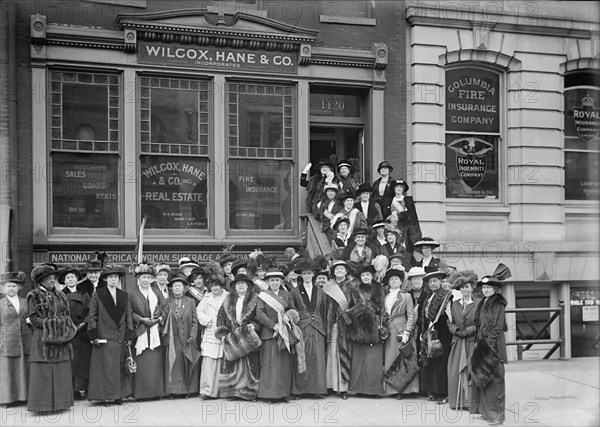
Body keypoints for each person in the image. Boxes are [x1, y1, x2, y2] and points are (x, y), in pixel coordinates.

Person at [26, 263, 75, 412]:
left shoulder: (61, 295)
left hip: (61, 339)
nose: (52, 280)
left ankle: (62, 404)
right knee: (44, 372)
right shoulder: (33, 295)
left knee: (61, 371)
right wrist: (54, 323)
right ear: (40, 281)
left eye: (53, 277)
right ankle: (42, 406)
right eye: (48, 278)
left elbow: (66, 315)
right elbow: (34, 319)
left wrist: (63, 324)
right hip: (43, 338)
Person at [470, 264, 511, 426]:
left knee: (496, 381)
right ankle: (486, 412)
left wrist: (490, 348)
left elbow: (497, 327)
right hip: (482, 345)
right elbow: (479, 326)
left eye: (489, 287)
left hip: (493, 348)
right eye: (484, 287)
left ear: (495, 290)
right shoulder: (484, 302)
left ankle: (497, 416)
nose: (486, 290)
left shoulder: (498, 304)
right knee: (484, 380)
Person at [87, 264, 134, 405]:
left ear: (119, 279)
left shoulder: (124, 295)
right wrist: (94, 335)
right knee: (106, 368)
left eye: (116, 277)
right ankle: (106, 396)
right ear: (106, 279)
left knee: (118, 368)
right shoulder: (98, 294)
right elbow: (92, 316)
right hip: (104, 337)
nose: (113, 279)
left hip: (119, 337)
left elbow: (129, 316)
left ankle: (118, 395)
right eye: (111, 277)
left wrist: (129, 335)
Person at [215, 274, 261, 401]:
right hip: (232, 336)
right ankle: (232, 392)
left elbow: (260, 315)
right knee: (232, 364)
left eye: (243, 283)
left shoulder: (255, 299)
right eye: (238, 283)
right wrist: (222, 333)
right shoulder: (227, 299)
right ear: (234, 286)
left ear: (248, 285)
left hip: (248, 336)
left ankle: (249, 392)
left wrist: (254, 326)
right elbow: (220, 316)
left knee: (250, 365)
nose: (240, 285)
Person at [128, 262, 169, 400]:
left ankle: (155, 393)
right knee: (142, 365)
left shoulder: (157, 292)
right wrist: (142, 319)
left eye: (148, 277)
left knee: (154, 365)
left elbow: (166, 308)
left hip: (155, 333)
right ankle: (140, 394)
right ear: (138, 278)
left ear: (152, 279)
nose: (146, 280)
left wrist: (158, 320)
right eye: (143, 277)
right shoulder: (131, 293)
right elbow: (129, 312)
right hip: (140, 331)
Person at [289, 259, 328, 399]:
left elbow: (324, 310)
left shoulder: (320, 291)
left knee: (317, 358)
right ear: (301, 275)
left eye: (309, 273)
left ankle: (318, 389)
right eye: (304, 273)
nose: (307, 275)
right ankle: (300, 390)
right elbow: (292, 309)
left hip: (318, 327)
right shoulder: (295, 291)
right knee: (302, 356)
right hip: (302, 326)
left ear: (313, 275)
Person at [345, 264, 385, 397]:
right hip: (358, 326)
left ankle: (373, 389)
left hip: (374, 325)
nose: (365, 277)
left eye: (368, 275)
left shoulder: (379, 288)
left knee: (374, 360)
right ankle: (359, 388)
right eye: (363, 275)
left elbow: (381, 307)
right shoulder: (355, 289)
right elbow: (351, 306)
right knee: (358, 358)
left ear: (372, 276)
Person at [256, 268, 295, 402]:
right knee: (269, 364)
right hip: (269, 333)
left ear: (281, 281)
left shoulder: (286, 294)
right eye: (272, 280)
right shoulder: (263, 295)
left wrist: (288, 317)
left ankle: (283, 393)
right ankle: (268, 394)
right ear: (267, 281)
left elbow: (292, 309)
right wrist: (273, 326)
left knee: (284, 365)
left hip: (284, 334)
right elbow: (260, 313)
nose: (275, 283)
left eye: (277, 280)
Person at [382, 268, 419, 398]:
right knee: (391, 360)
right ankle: (393, 390)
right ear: (388, 282)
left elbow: (411, 315)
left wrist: (407, 331)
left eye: (396, 279)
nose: (394, 281)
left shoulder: (406, 296)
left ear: (400, 281)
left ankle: (404, 390)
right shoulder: (386, 296)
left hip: (401, 330)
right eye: (391, 279)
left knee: (404, 360)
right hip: (389, 331)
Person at [446, 270, 479, 411]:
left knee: (471, 370)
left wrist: (469, 331)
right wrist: (457, 331)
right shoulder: (455, 304)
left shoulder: (478, 303)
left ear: (472, 288)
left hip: (472, 341)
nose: (465, 290)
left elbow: (480, 323)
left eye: (467, 287)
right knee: (454, 371)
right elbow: (449, 322)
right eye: (462, 287)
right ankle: (456, 401)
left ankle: (470, 402)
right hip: (458, 341)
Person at [419, 270, 453, 404]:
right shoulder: (428, 297)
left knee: (441, 361)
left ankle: (442, 392)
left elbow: (448, 317)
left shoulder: (446, 296)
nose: (433, 284)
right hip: (430, 332)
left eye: (435, 281)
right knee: (431, 360)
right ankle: (432, 390)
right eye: (430, 282)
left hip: (442, 332)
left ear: (440, 282)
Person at [163, 274, 200, 398]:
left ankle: (185, 391)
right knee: (173, 364)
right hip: (173, 339)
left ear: (184, 288)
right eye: (175, 286)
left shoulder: (191, 302)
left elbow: (195, 320)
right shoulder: (167, 302)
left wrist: (193, 336)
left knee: (185, 363)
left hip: (187, 338)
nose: (177, 288)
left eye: (180, 286)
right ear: (171, 289)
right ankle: (173, 391)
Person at [0, 272, 32, 406]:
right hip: (7, 339)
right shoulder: (0, 303)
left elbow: (30, 317)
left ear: (19, 288)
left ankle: (23, 397)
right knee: (8, 369)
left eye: (14, 286)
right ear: (3, 288)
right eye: (9, 286)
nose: (12, 288)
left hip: (25, 338)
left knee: (24, 368)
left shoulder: (25, 301)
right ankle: (7, 399)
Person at [323, 259, 353, 399]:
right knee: (331, 354)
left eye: (342, 268)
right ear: (333, 272)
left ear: (346, 271)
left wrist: (349, 314)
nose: (339, 270)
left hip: (345, 325)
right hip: (330, 324)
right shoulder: (328, 286)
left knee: (343, 354)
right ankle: (330, 385)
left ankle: (343, 388)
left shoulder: (352, 285)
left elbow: (360, 304)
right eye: (337, 269)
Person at [61, 265, 92, 401]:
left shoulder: (85, 294)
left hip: (82, 332)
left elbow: (90, 311)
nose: (70, 279)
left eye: (72, 277)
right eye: (67, 277)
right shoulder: (60, 294)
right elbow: (59, 313)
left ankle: (80, 388)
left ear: (77, 279)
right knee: (71, 362)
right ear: (64, 281)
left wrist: (84, 323)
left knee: (82, 361)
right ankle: (71, 390)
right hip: (68, 332)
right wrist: (69, 326)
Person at [196, 273, 228, 399]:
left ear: (221, 286)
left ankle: (221, 391)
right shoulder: (206, 297)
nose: (215, 288)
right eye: (212, 286)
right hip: (210, 333)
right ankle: (207, 391)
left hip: (224, 332)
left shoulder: (228, 296)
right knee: (209, 363)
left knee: (222, 362)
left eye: (217, 286)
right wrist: (208, 321)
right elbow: (198, 312)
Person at [386, 178, 422, 254]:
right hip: (393, 228)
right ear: (394, 188)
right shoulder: (389, 201)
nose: (399, 189)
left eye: (401, 187)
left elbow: (413, 218)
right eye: (397, 187)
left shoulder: (408, 200)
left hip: (406, 231)